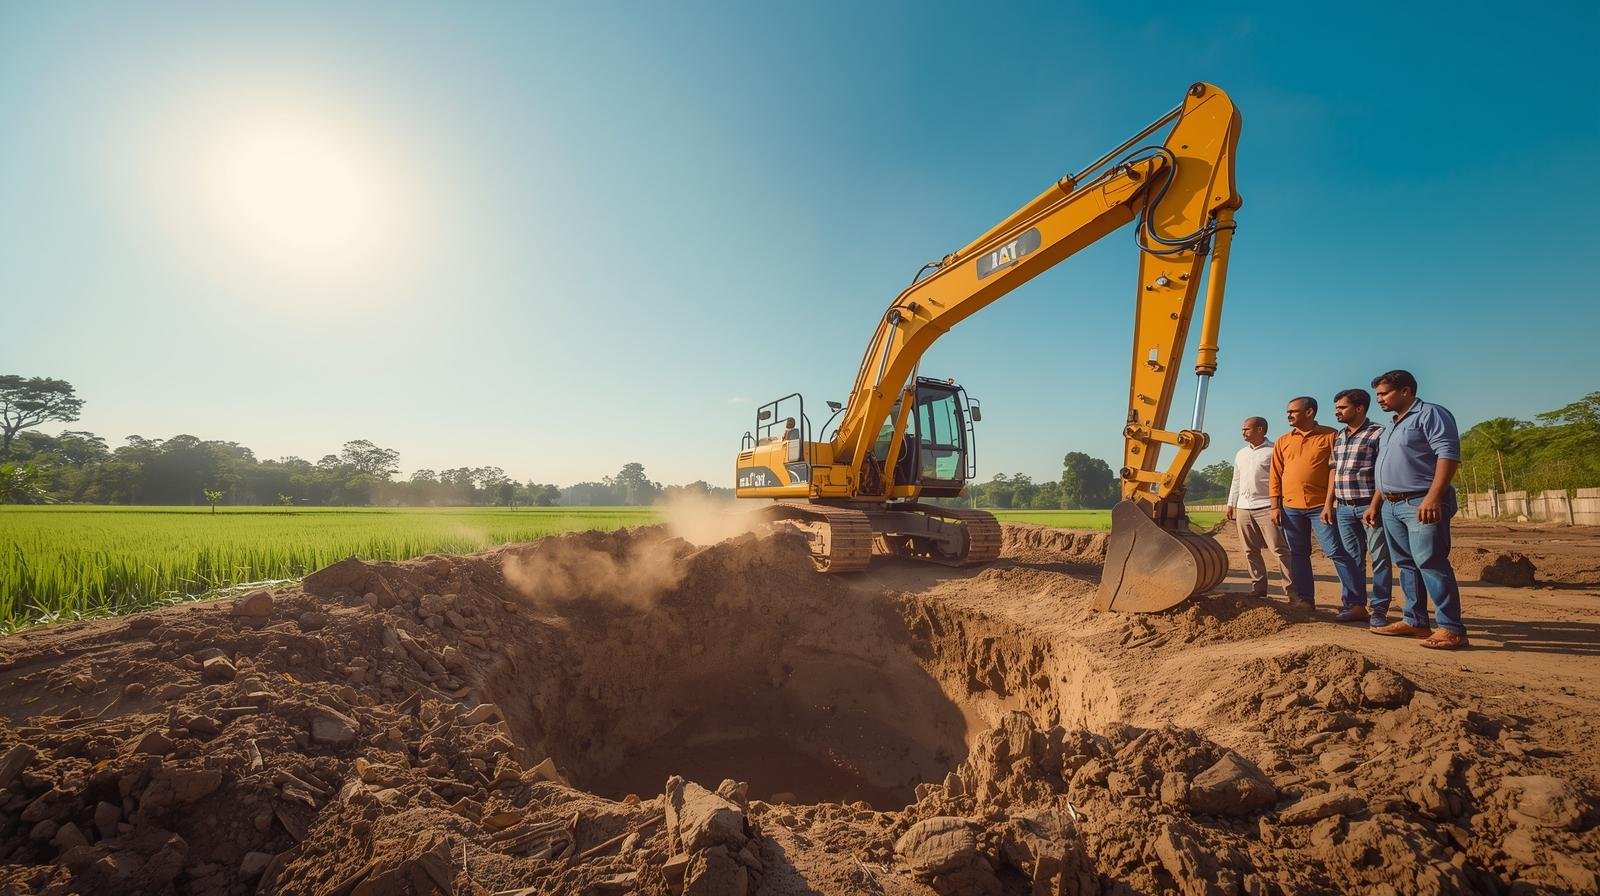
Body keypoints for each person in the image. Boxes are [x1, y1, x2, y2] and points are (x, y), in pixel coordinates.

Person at [1365, 370, 1468, 649]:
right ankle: (1415, 621)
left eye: (1384, 393)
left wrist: (1434, 497)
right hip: (1391, 504)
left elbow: (1448, 454)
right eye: (1378, 395)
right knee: (1407, 564)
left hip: (1420, 502)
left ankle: (1450, 628)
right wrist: (1376, 503)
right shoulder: (1391, 426)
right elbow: (1383, 469)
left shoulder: (1431, 414)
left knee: (1431, 562)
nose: (1380, 400)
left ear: (1406, 391)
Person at [1322, 388, 1393, 626]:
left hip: (1369, 507)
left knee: (1380, 558)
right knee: (1352, 559)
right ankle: (1355, 605)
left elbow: (1384, 472)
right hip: (1343, 508)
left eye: (1342, 408)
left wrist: (1374, 505)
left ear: (1359, 408)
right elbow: (1334, 470)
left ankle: (1380, 609)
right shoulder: (1339, 436)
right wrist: (1328, 503)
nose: (1337, 412)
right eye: (1336, 408)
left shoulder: (1378, 434)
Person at [1269, 396, 1341, 608]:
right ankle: (1306, 600)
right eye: (1287, 412)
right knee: (1298, 554)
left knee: (1335, 551)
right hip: (1291, 507)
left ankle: (1353, 602)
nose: (1289, 415)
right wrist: (1275, 505)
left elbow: (1334, 471)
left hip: (1321, 506)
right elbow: (1275, 474)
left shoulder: (1330, 436)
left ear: (1309, 412)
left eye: (1293, 411)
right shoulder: (1283, 440)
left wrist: (1330, 503)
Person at [1226, 416, 1294, 598]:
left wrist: (1277, 505)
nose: (1243, 432)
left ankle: (1291, 590)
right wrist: (1231, 503)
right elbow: (1236, 480)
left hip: (1266, 506)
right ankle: (1259, 587)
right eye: (1243, 429)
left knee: (1279, 550)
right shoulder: (1241, 453)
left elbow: (1281, 479)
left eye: (1247, 429)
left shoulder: (1273, 451)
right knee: (1250, 550)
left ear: (1260, 430)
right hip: (1243, 507)